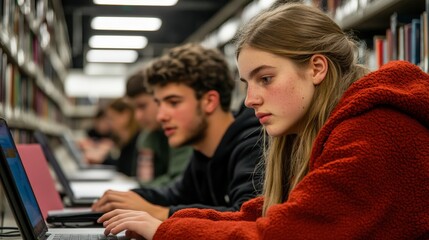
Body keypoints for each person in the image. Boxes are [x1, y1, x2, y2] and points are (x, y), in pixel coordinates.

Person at [98, 3, 429, 239]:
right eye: (247, 83)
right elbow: (270, 213)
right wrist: (167, 222)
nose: (250, 99)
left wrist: (166, 230)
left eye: (266, 78)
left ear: (316, 68)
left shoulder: (376, 131)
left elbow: (283, 234)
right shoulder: (322, 129)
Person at [92, 43, 264, 222]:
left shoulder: (254, 143)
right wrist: (130, 197)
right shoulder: (203, 153)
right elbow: (176, 194)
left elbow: (247, 219)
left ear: (209, 101)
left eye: (173, 102)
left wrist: (161, 213)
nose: (161, 116)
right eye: (158, 104)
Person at [125, 69, 192, 186]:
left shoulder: (182, 130)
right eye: (134, 109)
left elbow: (180, 183)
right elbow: (144, 181)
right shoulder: (147, 136)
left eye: (142, 106)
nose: (137, 116)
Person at [102, 97, 141, 176]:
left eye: (112, 118)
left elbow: (126, 169)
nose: (109, 124)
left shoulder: (138, 141)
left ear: (126, 115)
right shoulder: (124, 140)